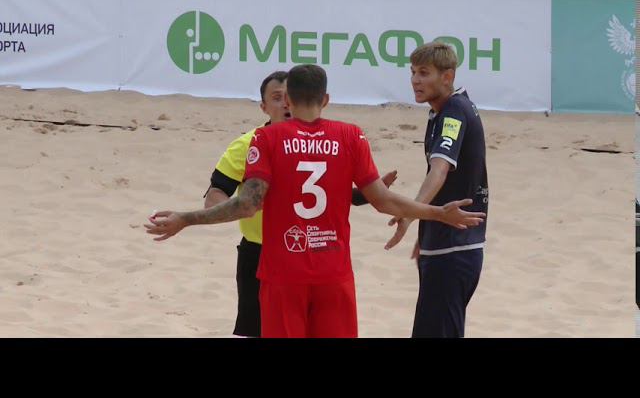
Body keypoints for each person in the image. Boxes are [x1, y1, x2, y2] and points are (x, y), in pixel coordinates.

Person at [145, 64, 485, 338]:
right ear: (326, 99)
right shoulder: (351, 136)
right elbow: (383, 201)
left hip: (283, 273)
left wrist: (186, 218)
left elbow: (247, 204)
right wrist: (436, 212)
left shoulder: (265, 138)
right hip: (332, 273)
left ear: (288, 100)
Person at [204, 71, 398, 337]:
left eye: (288, 96)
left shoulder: (319, 142)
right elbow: (215, 195)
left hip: (310, 254)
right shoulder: (248, 144)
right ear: (263, 107)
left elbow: (326, 194)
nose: (285, 103)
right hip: (259, 254)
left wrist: (368, 194)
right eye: (276, 98)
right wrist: (242, 206)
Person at [385, 42, 488, 338]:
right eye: (413, 72)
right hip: (447, 243)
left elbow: (439, 171)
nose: (415, 80)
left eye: (424, 73)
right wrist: (426, 231)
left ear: (447, 76)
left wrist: (410, 215)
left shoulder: (454, 111)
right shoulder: (444, 111)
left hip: (453, 248)